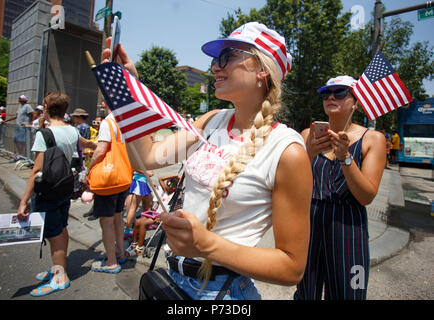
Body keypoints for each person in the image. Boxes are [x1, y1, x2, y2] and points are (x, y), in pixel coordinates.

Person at [102, 21, 312, 299]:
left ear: (263, 69)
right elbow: (147, 158)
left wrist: (207, 246)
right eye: (215, 58)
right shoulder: (212, 120)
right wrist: (126, 92)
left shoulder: (287, 150)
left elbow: (292, 268)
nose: (215, 66)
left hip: (223, 293)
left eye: (227, 57)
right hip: (173, 278)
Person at [294, 75, 386, 300]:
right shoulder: (309, 135)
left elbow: (366, 196)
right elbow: (293, 185)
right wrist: (308, 154)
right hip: (311, 221)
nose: (331, 97)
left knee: (348, 294)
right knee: (306, 292)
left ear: (355, 101)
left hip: (348, 225)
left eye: (340, 93)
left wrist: (345, 157)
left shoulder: (371, 139)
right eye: (326, 94)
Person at [16, 92, 94, 297]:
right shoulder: (72, 131)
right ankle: (59, 266)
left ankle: (60, 276)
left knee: (54, 233)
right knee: (61, 227)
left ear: (47, 108)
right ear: (66, 110)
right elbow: (87, 144)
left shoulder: (45, 134)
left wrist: (23, 201)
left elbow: (36, 171)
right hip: (65, 186)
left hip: (48, 189)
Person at [83, 101, 129, 273]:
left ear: (105, 103)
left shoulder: (107, 122)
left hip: (108, 179)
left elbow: (101, 149)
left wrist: (88, 169)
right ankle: (120, 252)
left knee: (106, 222)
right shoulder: (124, 121)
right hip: (123, 176)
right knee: (118, 217)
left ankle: (111, 262)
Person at [125, 175, 180, 257]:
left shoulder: (175, 195)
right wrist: (175, 176)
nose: (168, 186)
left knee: (143, 224)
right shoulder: (165, 191)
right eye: (168, 184)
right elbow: (160, 178)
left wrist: (179, 182)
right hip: (155, 214)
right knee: (138, 222)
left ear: (175, 188)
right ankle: (134, 243)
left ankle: (139, 248)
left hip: (162, 216)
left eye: (171, 185)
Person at [123, 169, 154, 239]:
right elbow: (135, 167)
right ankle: (127, 230)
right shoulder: (138, 158)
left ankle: (146, 223)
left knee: (150, 202)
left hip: (142, 181)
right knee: (133, 207)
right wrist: (146, 172)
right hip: (139, 182)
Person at [2, 95, 34, 161]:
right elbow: (15, 116)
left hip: (23, 127)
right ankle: (20, 154)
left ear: (23, 99)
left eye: (20, 98)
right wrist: (5, 120)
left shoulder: (27, 106)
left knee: (22, 142)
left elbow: (33, 114)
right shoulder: (20, 106)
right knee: (16, 140)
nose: (18, 99)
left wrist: (30, 123)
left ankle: (23, 155)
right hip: (18, 126)